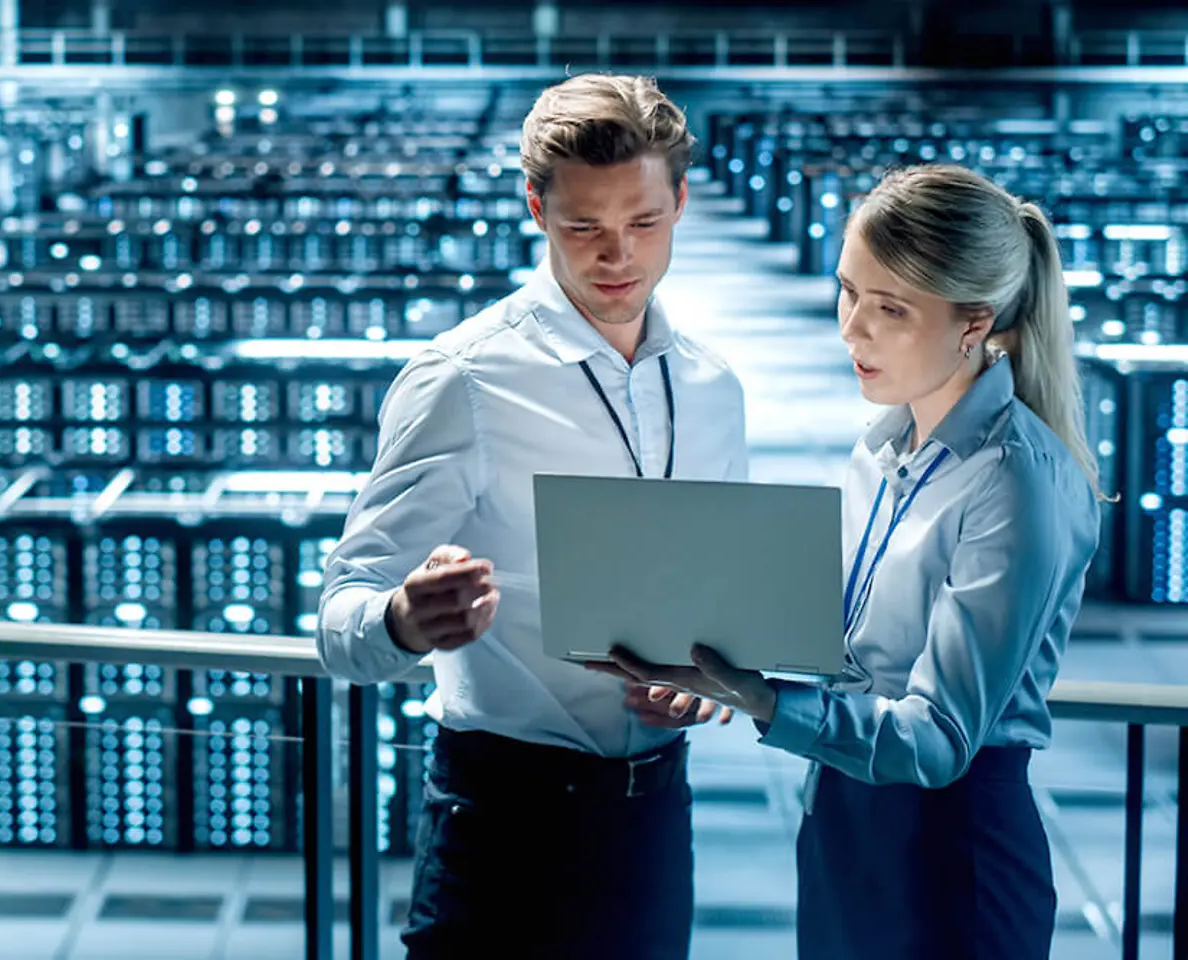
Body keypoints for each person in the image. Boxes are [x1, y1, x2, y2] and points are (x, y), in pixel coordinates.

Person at [596, 163, 1103, 960]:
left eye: (890, 308)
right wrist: (713, 660)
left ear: (975, 323)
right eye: (848, 290)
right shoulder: (882, 452)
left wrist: (766, 701)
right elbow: (855, 661)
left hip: (948, 860)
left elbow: (935, 740)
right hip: (841, 825)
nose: (852, 328)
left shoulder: (1016, 481)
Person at [316, 73, 749, 959]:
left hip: (657, 820)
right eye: (583, 226)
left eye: (644, 224)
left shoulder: (712, 390)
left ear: (682, 202)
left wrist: (708, 688)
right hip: (502, 825)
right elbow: (338, 620)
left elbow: (721, 612)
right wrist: (402, 618)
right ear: (535, 208)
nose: (616, 256)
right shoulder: (464, 379)